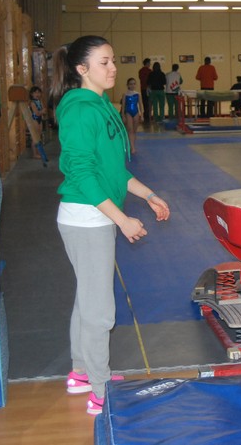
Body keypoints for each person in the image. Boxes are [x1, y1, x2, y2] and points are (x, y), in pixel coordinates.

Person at [51, 35, 170, 416]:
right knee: (100, 308)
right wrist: (121, 219)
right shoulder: (79, 110)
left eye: (113, 60)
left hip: (94, 217)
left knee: (87, 298)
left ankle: (82, 372)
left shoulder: (102, 106)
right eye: (104, 62)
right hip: (87, 220)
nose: (113, 68)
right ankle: (100, 391)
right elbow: (82, 173)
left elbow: (114, 172)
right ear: (81, 69)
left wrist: (148, 195)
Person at [120, 77, 143, 154]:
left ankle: (132, 145)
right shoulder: (125, 94)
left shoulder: (137, 94)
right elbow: (123, 106)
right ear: (128, 85)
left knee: (134, 131)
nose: (132, 85)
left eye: (134, 84)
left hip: (136, 112)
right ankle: (133, 148)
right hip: (128, 112)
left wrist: (142, 115)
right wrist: (123, 115)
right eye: (131, 84)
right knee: (130, 130)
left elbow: (140, 105)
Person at [29, 86, 46, 158]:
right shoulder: (32, 103)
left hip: (39, 119)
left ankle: (38, 152)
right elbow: (36, 113)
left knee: (39, 136)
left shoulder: (39, 101)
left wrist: (42, 111)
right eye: (35, 92)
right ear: (31, 94)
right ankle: (34, 154)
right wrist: (42, 111)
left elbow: (43, 110)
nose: (37, 94)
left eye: (39, 92)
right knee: (34, 137)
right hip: (34, 120)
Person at [138, 58, 151, 123]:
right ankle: (148, 115)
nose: (150, 64)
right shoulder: (149, 71)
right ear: (147, 63)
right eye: (149, 63)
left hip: (143, 88)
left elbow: (140, 78)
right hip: (148, 88)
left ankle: (145, 114)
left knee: (144, 102)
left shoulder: (140, 71)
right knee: (149, 102)